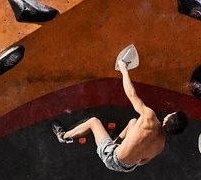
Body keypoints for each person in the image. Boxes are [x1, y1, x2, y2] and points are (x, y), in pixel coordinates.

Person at [52, 58, 187, 172]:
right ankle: (117, 141)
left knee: (93, 122)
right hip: (127, 167)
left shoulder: (149, 117)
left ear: (168, 118)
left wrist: (123, 69)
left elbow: (131, 94)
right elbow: (142, 161)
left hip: (111, 157)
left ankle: (63, 136)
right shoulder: (160, 146)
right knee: (133, 122)